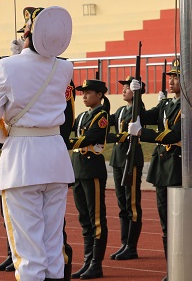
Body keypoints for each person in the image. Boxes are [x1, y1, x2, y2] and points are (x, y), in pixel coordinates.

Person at [0, 6, 76, 281]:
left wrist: (11, 136)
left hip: (22, 162)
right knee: (53, 249)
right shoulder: (65, 67)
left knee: (28, 254)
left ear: (27, 33)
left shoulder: (6, 66)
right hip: (55, 159)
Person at [127, 60, 183, 281]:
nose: (171, 80)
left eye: (176, 77)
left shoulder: (188, 105)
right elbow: (143, 117)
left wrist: (144, 134)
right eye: (170, 76)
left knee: (179, 223)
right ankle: (172, 270)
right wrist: (137, 95)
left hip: (178, 168)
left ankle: (182, 268)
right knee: (166, 224)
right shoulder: (166, 105)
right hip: (163, 169)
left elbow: (174, 135)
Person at [69, 79, 110, 280]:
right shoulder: (84, 115)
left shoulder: (101, 115)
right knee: (84, 219)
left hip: (92, 170)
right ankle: (87, 261)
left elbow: (91, 137)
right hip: (78, 170)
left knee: (96, 220)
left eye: (88, 93)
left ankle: (96, 263)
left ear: (100, 95)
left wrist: (65, 141)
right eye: (82, 93)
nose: (84, 96)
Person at [107, 76, 144, 261]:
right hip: (118, 159)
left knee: (132, 203)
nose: (124, 90)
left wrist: (139, 97)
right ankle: (124, 244)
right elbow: (106, 119)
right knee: (122, 203)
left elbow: (142, 115)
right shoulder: (121, 110)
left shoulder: (138, 110)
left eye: (128, 88)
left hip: (132, 159)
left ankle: (132, 246)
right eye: (123, 87)